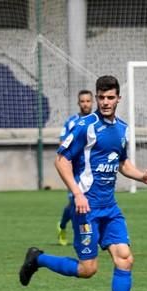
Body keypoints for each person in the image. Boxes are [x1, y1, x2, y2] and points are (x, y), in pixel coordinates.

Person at [18, 75, 147, 291]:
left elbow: (121, 163)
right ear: (96, 98)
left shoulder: (123, 129)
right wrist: (78, 194)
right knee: (88, 270)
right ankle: (38, 259)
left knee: (125, 259)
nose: (106, 102)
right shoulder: (86, 125)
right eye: (101, 97)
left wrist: (142, 176)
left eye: (110, 97)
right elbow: (61, 160)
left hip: (110, 207)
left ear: (118, 98)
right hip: (87, 206)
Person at [57, 89, 93, 245]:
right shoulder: (72, 122)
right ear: (78, 103)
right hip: (75, 169)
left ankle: (87, 234)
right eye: (82, 101)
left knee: (89, 201)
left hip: (91, 169)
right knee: (74, 201)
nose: (85, 104)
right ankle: (65, 227)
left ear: (92, 102)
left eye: (88, 101)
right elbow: (63, 146)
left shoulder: (97, 121)